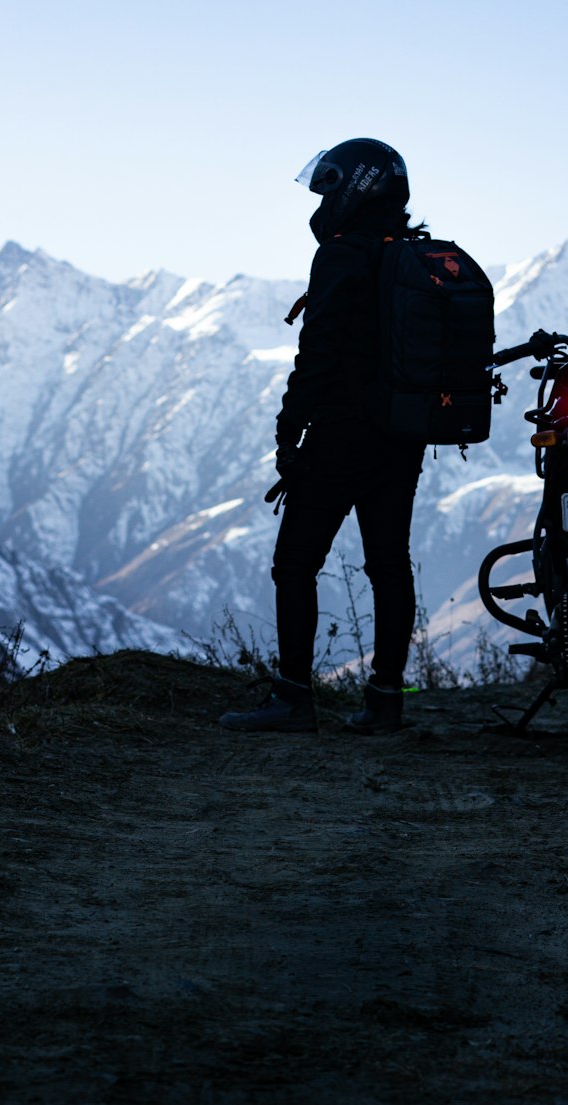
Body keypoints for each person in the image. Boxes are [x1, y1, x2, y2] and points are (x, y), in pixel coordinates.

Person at [219, 139, 426, 735]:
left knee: (296, 561)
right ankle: (387, 701)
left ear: (355, 187)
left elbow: (319, 350)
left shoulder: (342, 255)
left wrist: (291, 426)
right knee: (388, 564)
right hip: (402, 435)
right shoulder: (410, 255)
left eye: (331, 185)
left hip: (340, 433)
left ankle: (292, 699)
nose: (324, 198)